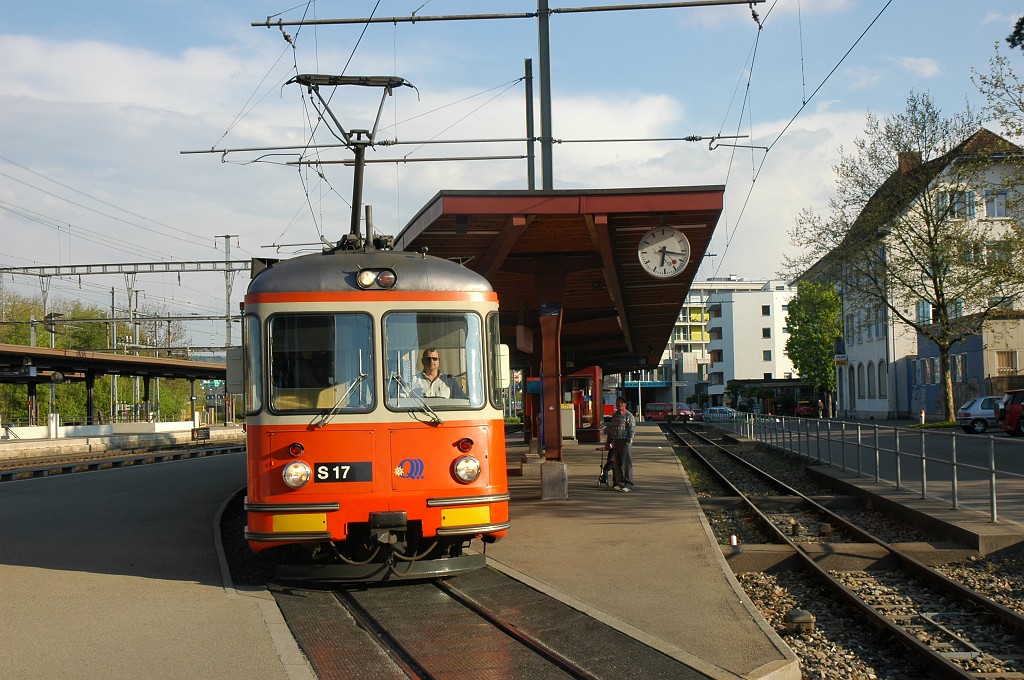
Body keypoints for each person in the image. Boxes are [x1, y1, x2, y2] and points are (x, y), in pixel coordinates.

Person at [604, 396, 635, 492]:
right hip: (615, 442)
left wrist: (629, 441)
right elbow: (610, 430)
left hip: (624, 442)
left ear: (625, 405)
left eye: (621, 403)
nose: (619, 404)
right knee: (617, 464)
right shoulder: (614, 416)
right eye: (618, 402)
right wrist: (608, 442)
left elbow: (632, 429)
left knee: (625, 464)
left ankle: (628, 484)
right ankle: (619, 483)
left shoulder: (629, 416)